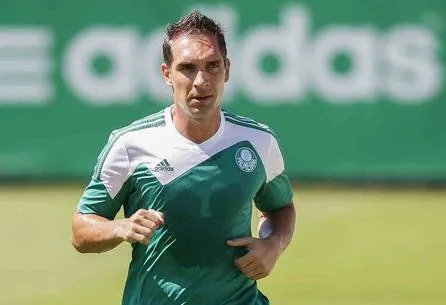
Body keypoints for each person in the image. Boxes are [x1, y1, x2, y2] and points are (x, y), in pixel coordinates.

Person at [72, 10, 296, 305]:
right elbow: (81, 228)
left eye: (212, 66)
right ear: (167, 73)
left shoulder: (258, 141)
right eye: (188, 68)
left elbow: (280, 208)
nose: (201, 81)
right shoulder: (130, 144)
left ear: (227, 69)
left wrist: (272, 245)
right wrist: (119, 227)